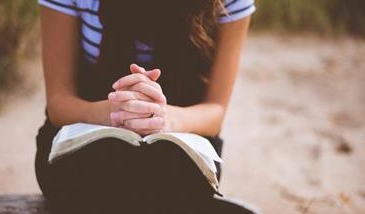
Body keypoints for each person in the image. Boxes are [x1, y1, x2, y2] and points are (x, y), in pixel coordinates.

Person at [35, 0, 256, 213]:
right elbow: (58, 103)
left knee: (172, 185)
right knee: (95, 182)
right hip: (85, 139)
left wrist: (163, 118)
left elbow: (215, 110)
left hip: (181, 144)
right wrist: (114, 112)